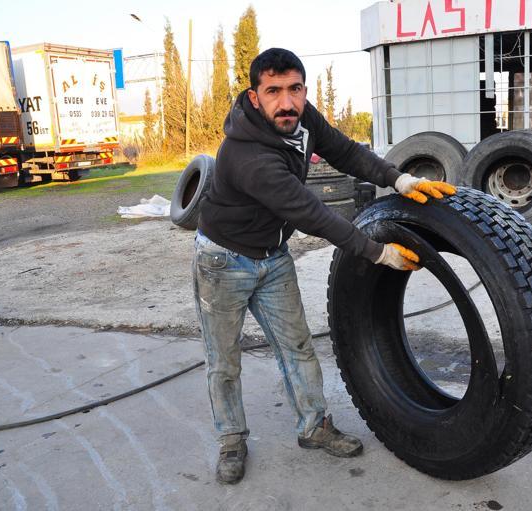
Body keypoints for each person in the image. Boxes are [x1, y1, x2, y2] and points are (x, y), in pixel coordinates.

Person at [193, 48, 456, 484]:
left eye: (295, 89)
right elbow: (311, 213)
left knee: (296, 346)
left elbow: (346, 151)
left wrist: (400, 179)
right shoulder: (246, 155)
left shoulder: (300, 118)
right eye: (273, 91)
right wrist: (379, 253)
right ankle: (232, 440)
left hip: (272, 256)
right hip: (224, 261)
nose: (287, 102)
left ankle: (313, 426)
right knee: (224, 360)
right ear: (254, 97)